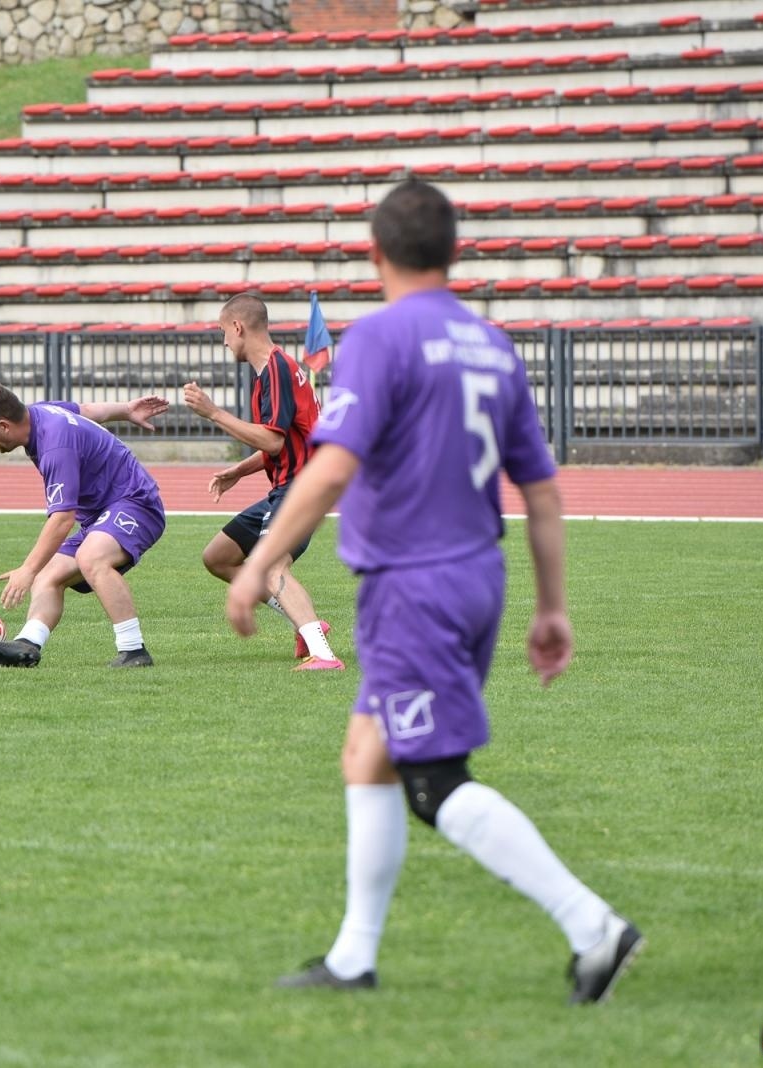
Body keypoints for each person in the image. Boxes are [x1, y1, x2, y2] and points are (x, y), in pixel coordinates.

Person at [226, 181, 642, 1002]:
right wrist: (551, 607)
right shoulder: (491, 345)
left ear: (376, 254)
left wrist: (258, 561)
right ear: (453, 254)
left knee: (432, 780)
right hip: (477, 577)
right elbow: (541, 492)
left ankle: (593, 926)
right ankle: (353, 959)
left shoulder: (381, 338)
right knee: (367, 756)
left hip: (414, 585)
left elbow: (331, 468)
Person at [182, 293, 342, 670]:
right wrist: (238, 471)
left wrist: (213, 412)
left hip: (303, 487)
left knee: (270, 566)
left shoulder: (275, 368)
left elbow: (273, 440)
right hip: (289, 485)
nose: (224, 341)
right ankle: (305, 624)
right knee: (218, 557)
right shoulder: (271, 371)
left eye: (223, 331)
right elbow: (285, 440)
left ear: (238, 327)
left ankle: (323, 654)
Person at [0, 382, 169, 668]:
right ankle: (27, 644)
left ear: (4, 426)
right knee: (48, 576)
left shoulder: (55, 445)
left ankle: (133, 650)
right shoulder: (40, 412)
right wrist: (127, 410)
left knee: (90, 557)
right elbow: (87, 410)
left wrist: (26, 569)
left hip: (136, 503)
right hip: (102, 515)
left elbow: (62, 519)